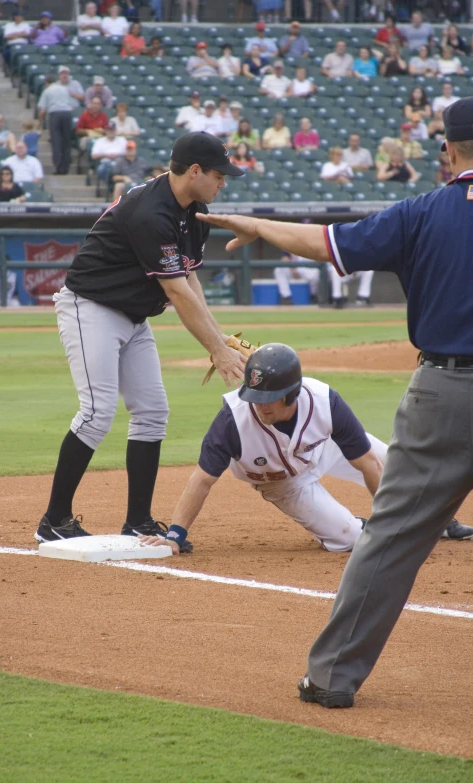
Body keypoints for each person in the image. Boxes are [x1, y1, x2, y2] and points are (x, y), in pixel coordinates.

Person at [195, 96, 473, 708]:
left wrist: (258, 225)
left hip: (447, 393)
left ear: (448, 152)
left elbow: (327, 243)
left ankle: (331, 679)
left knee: (393, 538)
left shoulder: (424, 212)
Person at [33, 132, 246, 547]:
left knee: (152, 411)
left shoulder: (193, 210)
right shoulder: (150, 212)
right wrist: (216, 350)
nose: (225, 182)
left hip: (133, 317)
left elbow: (189, 277)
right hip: (90, 307)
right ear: (195, 171)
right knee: (96, 413)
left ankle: (139, 521)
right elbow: (177, 292)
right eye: (219, 175)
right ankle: (54, 519)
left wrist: (219, 336)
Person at [140, 344, 473, 555]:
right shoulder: (232, 419)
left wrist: (388, 517)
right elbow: (202, 480)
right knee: (350, 540)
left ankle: (438, 520)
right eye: (255, 397)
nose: (259, 407)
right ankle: (360, 525)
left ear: (293, 394)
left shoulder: (325, 402)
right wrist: (175, 534)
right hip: (282, 482)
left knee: (395, 461)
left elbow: (368, 465)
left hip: (324, 447)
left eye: (268, 399)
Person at [37, 73, 73, 175]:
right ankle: (65, 168)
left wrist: (40, 124)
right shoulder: (64, 89)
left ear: (46, 83)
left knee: (56, 141)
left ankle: (58, 167)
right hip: (67, 113)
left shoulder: (47, 91)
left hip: (55, 114)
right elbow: (71, 104)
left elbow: (43, 110)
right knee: (66, 141)